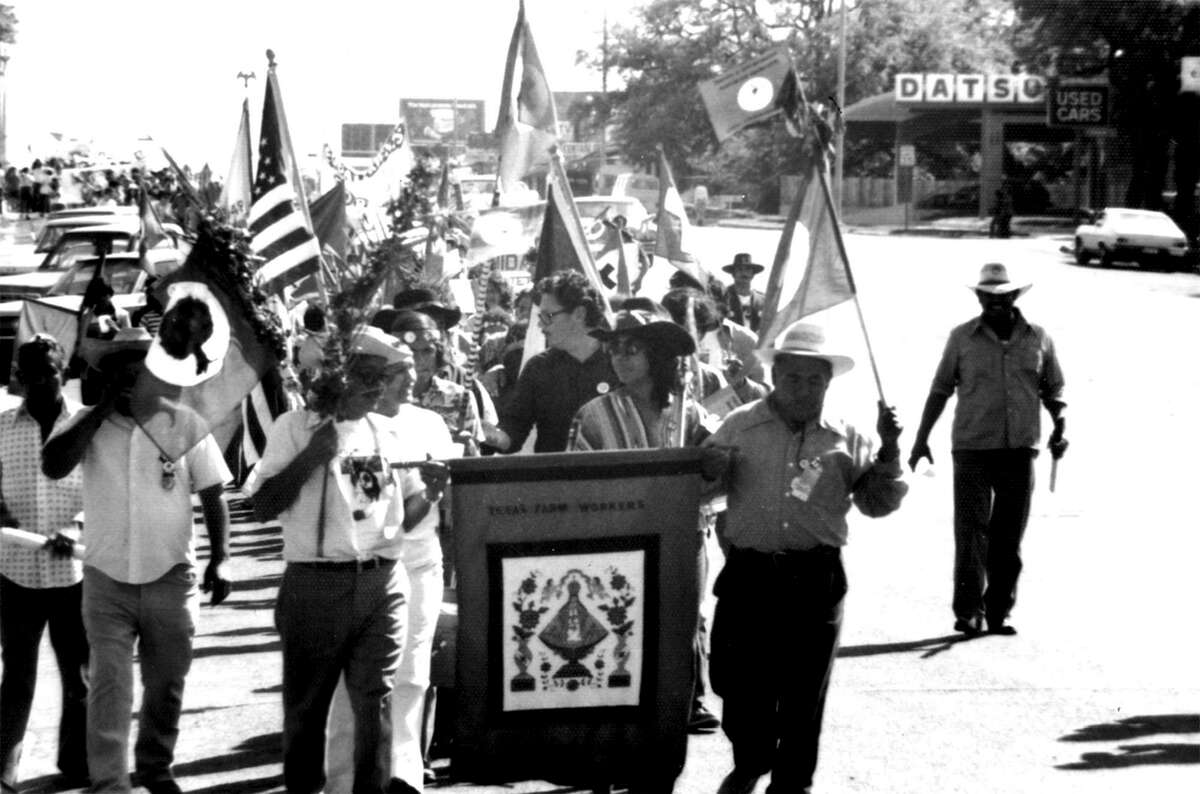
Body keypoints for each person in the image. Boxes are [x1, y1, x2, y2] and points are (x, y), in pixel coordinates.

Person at [704, 321, 906, 794]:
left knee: (803, 695)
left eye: (815, 379)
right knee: (740, 686)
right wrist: (707, 469)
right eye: (794, 378)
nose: (804, 388)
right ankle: (751, 758)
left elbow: (877, 503)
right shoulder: (739, 425)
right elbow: (702, 490)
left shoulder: (847, 435)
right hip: (751, 574)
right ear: (776, 378)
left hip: (814, 576)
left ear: (828, 383)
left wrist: (891, 451)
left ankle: (792, 783)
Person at [249, 326, 442, 794]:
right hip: (316, 583)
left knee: (375, 702)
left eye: (384, 377)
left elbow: (405, 519)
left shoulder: (387, 432)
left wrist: (434, 490)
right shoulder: (294, 428)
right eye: (369, 377)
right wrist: (310, 459)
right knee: (306, 709)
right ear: (339, 376)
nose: (379, 388)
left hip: (382, 582)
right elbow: (261, 507)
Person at [42, 327, 233, 794]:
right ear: (104, 377)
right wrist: (103, 407)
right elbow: (54, 464)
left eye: (139, 372)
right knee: (109, 683)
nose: (131, 381)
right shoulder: (87, 422)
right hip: (107, 579)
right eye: (120, 373)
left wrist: (221, 559)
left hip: (171, 574)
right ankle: (110, 781)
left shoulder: (183, 422)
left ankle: (155, 768)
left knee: (166, 683)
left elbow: (212, 492)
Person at [567, 306, 722, 736]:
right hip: (618, 542)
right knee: (620, 634)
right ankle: (616, 731)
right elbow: (576, 485)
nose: (620, 357)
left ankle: (676, 718)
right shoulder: (594, 414)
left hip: (681, 539)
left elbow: (718, 468)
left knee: (680, 628)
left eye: (632, 348)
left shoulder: (689, 411)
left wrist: (711, 462)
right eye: (614, 348)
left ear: (657, 355)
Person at [908, 263, 1067, 637]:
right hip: (972, 449)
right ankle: (967, 612)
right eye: (986, 296)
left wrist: (1061, 425)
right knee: (971, 533)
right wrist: (920, 439)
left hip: (1019, 450)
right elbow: (940, 389)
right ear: (977, 297)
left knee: (1008, 538)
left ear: (1014, 297)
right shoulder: (962, 338)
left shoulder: (1038, 338)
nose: (994, 302)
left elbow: (1054, 390)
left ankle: (999, 612)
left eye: (1002, 296)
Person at [0, 335, 89, 792]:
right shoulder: (1, 427)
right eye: (29, 374)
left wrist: (75, 527)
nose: (39, 382)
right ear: (18, 378)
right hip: (15, 573)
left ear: (65, 374)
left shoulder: (88, 427)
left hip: (75, 573)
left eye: (48, 372)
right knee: (16, 676)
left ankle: (77, 763)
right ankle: (4, 773)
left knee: (79, 677)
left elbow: (107, 492)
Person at [485, 270, 619, 453]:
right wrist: (495, 437)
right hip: (556, 478)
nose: (540, 325)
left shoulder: (620, 362)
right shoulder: (539, 368)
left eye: (548, 317)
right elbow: (514, 426)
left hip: (616, 476)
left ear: (579, 313)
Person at [721, 253, 766, 333]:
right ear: (733, 274)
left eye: (748, 270)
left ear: (753, 274)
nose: (744, 273)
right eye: (740, 269)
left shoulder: (763, 301)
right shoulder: (722, 297)